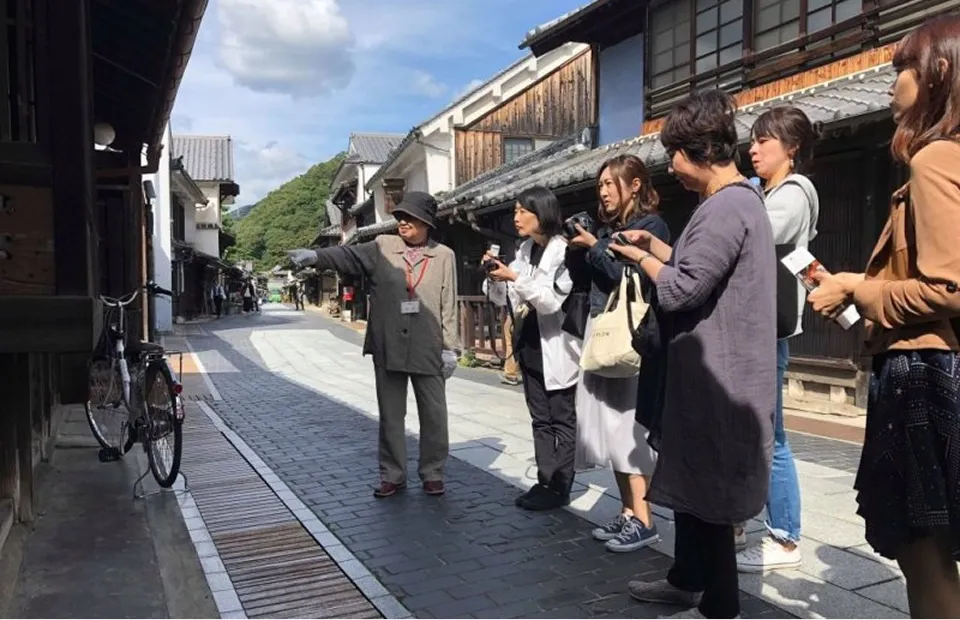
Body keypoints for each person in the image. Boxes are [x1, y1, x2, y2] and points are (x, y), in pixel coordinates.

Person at [808, 15, 960, 618]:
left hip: (924, 370)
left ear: (937, 73)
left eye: (901, 66)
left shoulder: (937, 160)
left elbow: (949, 287)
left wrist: (857, 288)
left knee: (924, 548)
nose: (891, 79)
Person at [610, 89, 776, 619]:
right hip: (714, 374)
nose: (672, 169)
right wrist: (658, 248)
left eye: (674, 156)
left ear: (697, 150)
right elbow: (694, 266)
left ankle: (719, 608)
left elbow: (682, 290)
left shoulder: (728, 205)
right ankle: (686, 582)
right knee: (699, 492)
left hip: (718, 380)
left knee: (709, 501)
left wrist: (639, 256)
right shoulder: (731, 203)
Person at [287, 191, 460, 498]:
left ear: (427, 223)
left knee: (434, 414)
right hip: (388, 342)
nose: (403, 223)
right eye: (401, 217)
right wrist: (317, 256)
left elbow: (448, 304)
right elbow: (347, 256)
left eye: (411, 218)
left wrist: (451, 349)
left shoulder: (444, 255)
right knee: (391, 415)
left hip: (428, 345)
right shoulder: (382, 246)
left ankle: (432, 471)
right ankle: (393, 474)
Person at [565, 154, 669, 553]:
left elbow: (628, 277)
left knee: (627, 427)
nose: (604, 192)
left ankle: (645, 519)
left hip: (630, 335)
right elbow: (590, 278)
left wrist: (595, 246)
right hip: (604, 330)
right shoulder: (616, 228)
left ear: (636, 184)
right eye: (600, 186)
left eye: (611, 184)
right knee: (609, 427)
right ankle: (628, 511)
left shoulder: (651, 226)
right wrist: (583, 248)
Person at [734, 106, 821, 572]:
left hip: (768, 330)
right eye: (752, 140)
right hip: (756, 326)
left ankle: (785, 538)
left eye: (763, 141)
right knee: (753, 430)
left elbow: (755, 236)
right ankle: (744, 520)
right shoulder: (763, 190)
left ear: (792, 148)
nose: (752, 149)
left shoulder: (793, 192)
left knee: (772, 435)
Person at [483, 186, 581, 511]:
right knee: (540, 418)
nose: (516, 217)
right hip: (529, 343)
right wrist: (497, 279)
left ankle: (561, 486)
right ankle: (544, 481)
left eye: (522, 210)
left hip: (557, 346)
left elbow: (551, 301)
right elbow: (505, 298)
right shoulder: (524, 250)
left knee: (561, 418)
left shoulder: (563, 251)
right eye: (514, 211)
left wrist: (513, 277)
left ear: (542, 212)